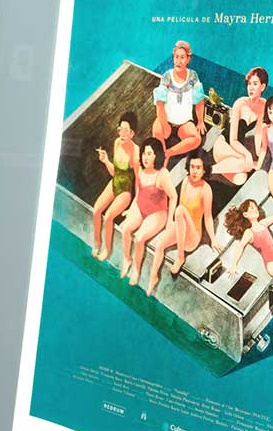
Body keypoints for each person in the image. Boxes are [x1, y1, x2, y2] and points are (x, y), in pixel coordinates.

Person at [146, 152, 220, 295]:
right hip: (180, 228)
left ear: (204, 170)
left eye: (198, 168)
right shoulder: (186, 180)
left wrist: (213, 239)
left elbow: (208, 217)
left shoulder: (206, 190)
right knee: (160, 245)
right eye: (192, 167)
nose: (194, 171)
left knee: (180, 210)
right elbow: (180, 213)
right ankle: (153, 279)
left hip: (192, 237)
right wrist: (171, 227)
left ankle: (180, 257)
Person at [118, 137, 177, 286]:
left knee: (139, 239)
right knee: (125, 230)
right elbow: (138, 192)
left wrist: (170, 221)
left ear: (157, 155)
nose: (145, 157)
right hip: (140, 207)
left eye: (149, 154)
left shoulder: (162, 174)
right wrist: (131, 209)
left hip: (158, 213)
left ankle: (136, 270)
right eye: (144, 153)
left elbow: (173, 196)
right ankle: (127, 259)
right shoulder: (140, 170)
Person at [90, 111, 138, 261]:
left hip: (126, 191)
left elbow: (138, 182)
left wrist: (134, 205)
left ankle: (107, 249)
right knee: (96, 210)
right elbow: (114, 172)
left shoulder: (136, 152)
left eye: (126, 130)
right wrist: (105, 161)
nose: (122, 134)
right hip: (114, 182)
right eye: (120, 129)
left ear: (132, 133)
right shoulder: (117, 142)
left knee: (109, 217)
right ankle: (97, 242)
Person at [209, 66, 267, 185]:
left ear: (262, 87)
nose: (250, 87)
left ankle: (219, 168)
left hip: (237, 153)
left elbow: (258, 134)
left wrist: (259, 158)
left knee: (241, 178)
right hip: (224, 145)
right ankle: (208, 170)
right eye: (249, 84)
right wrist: (248, 155)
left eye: (255, 84)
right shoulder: (240, 103)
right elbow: (233, 140)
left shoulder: (264, 105)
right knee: (244, 162)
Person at [151, 40, 205, 165]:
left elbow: (199, 100)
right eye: (176, 57)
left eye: (182, 57)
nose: (178, 61)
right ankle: (161, 159)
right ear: (173, 58)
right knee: (157, 131)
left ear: (188, 59)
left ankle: (167, 153)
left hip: (184, 124)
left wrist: (200, 121)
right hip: (166, 121)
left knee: (196, 139)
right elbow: (159, 105)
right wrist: (164, 125)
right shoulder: (167, 77)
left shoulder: (193, 76)